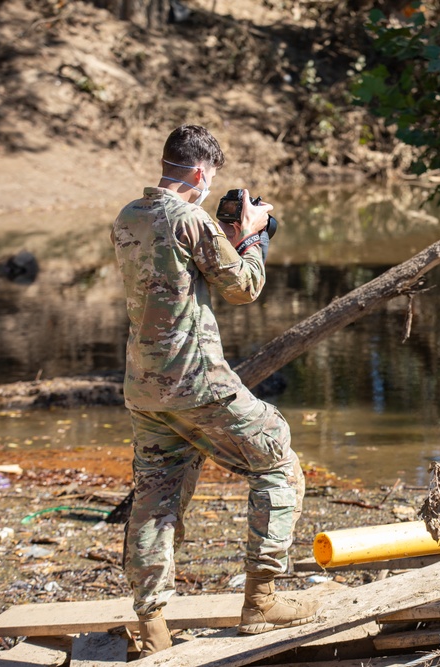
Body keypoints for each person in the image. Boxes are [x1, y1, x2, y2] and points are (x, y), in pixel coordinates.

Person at [110, 125, 318, 657]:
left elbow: (176, 275)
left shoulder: (129, 216)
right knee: (276, 459)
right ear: (200, 175)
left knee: (156, 499)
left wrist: (222, 231)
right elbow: (243, 287)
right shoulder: (191, 218)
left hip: (145, 386)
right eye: (211, 181)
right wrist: (253, 235)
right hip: (196, 380)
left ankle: (152, 627)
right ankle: (262, 601)